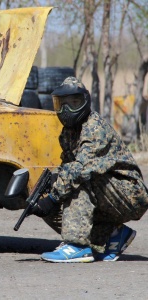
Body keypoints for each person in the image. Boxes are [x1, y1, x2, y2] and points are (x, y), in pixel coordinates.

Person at [30, 77, 148, 263]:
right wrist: (46, 194)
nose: (67, 110)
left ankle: (77, 246)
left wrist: (53, 197)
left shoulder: (94, 128)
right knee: (57, 191)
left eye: (74, 103)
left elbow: (80, 169)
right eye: (62, 104)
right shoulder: (69, 133)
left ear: (85, 102)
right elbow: (66, 169)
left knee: (78, 180)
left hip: (131, 194)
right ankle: (113, 235)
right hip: (107, 193)